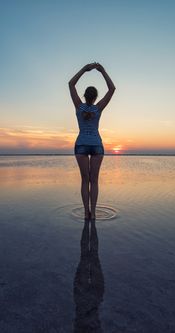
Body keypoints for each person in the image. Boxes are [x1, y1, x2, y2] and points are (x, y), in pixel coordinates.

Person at [69, 62, 116, 220]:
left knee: (85, 180)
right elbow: (112, 89)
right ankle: (94, 213)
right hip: (96, 146)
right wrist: (102, 70)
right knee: (94, 181)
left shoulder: (79, 106)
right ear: (95, 97)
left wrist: (84, 69)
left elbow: (71, 84)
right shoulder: (98, 108)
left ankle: (85, 212)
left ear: (84, 95)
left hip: (81, 145)